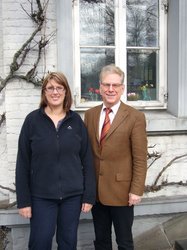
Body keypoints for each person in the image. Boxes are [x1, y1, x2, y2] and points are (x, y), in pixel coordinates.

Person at [16, 72, 96, 250]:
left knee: (68, 243)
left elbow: (87, 160)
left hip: (72, 197)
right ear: (44, 92)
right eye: (50, 88)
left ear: (66, 92)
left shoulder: (75, 121)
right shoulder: (32, 121)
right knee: (40, 242)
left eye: (59, 88)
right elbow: (22, 162)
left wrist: (89, 195)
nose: (55, 92)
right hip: (41, 197)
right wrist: (23, 200)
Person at [84, 64, 147, 250]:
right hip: (97, 193)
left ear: (122, 88)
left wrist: (136, 190)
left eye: (115, 85)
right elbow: (87, 155)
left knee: (124, 242)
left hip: (123, 193)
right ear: (100, 87)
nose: (110, 89)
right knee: (101, 241)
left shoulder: (135, 117)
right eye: (106, 85)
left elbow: (140, 158)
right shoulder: (90, 115)